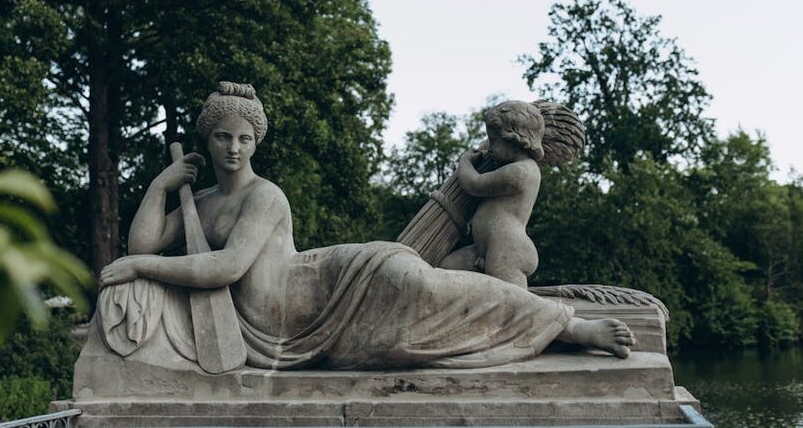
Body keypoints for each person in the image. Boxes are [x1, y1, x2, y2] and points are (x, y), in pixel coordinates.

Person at [97, 82, 635, 371]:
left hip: (328, 287)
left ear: (256, 142)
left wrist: (141, 265)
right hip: (285, 322)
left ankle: (568, 327)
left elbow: (226, 267)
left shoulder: (265, 196)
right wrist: (160, 185)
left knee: (428, 288)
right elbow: (143, 242)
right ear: (208, 141)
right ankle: (552, 322)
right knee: (424, 312)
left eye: (243, 138)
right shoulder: (203, 203)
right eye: (222, 138)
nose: (233, 148)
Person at [439, 101, 544, 289]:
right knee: (446, 268)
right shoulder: (514, 167)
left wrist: (465, 163)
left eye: (494, 141)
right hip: (484, 248)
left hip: (507, 248)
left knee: (512, 299)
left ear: (515, 139)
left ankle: (539, 309)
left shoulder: (520, 172)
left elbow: (475, 184)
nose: (490, 147)